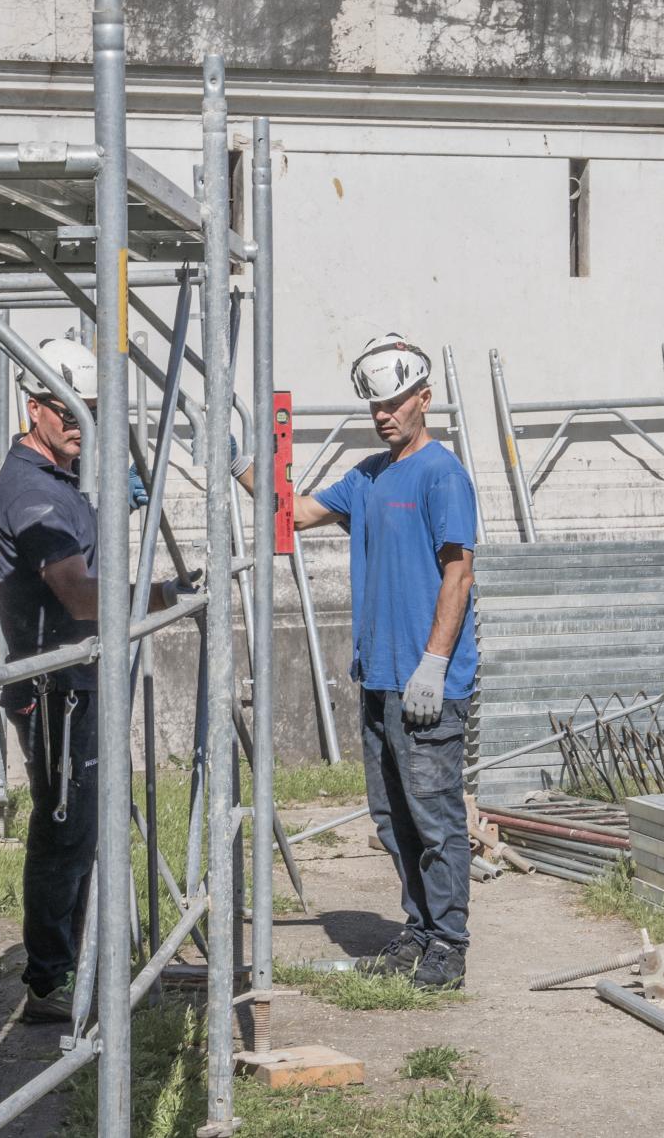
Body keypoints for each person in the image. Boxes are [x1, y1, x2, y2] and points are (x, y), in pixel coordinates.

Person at [236, 333, 477, 989]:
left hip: (428, 683)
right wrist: (239, 462)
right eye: (375, 405)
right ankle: (420, 930)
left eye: (396, 402)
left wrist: (433, 663)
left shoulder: (442, 475)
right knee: (393, 820)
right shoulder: (366, 478)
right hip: (377, 681)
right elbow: (296, 514)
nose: (384, 414)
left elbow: (458, 573)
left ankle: (449, 946)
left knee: (435, 819)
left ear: (424, 399)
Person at [0, 336, 189, 1023]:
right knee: (64, 830)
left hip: (78, 680)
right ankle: (50, 979)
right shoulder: (31, 493)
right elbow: (77, 593)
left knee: (84, 827)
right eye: (70, 412)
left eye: (93, 413)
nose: (81, 425)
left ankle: (74, 961)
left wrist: (111, 507)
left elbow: (85, 548)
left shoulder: (63, 485)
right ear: (34, 406)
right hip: (56, 690)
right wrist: (164, 594)